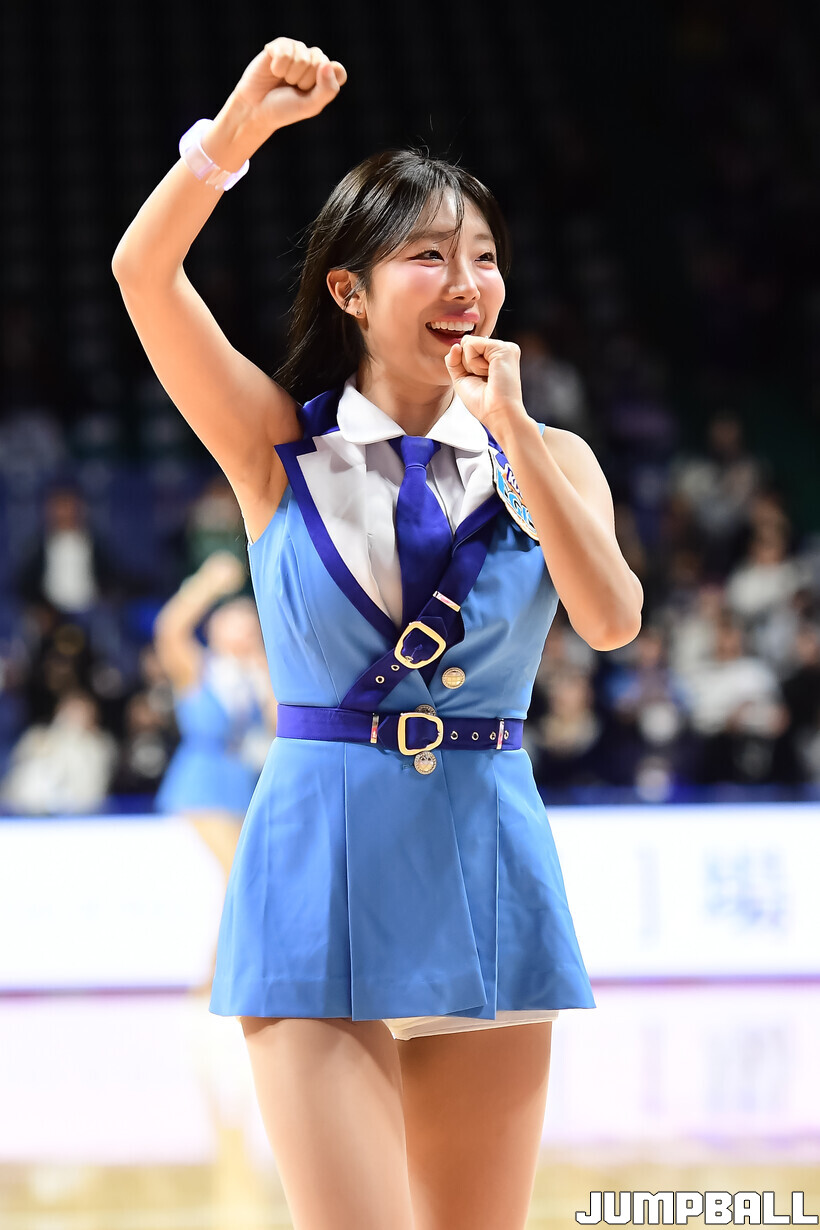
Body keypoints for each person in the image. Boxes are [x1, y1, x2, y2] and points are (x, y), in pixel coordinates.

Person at [112, 36, 643, 1230]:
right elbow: (142, 274)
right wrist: (233, 137)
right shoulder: (274, 447)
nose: (468, 279)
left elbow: (612, 621)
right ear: (349, 291)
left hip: (488, 861)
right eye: (428, 255)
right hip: (315, 860)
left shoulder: (549, 457)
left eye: (484, 255)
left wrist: (514, 432)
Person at [152, 550, 276, 879]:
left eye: (250, 625)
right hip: (202, 786)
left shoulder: (259, 674)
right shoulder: (199, 668)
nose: (245, 631)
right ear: (214, 628)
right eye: (236, 623)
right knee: (235, 875)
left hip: (245, 784)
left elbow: (280, 725)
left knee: (251, 876)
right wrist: (207, 583)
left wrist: (263, 666)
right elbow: (169, 630)